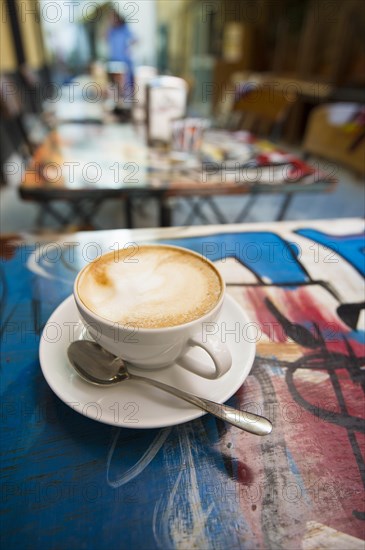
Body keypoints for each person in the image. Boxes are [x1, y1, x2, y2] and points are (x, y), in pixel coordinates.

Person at [107, 10, 136, 99]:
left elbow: (135, 39)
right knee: (115, 84)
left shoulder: (124, 29)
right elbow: (104, 37)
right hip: (114, 60)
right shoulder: (111, 30)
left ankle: (125, 101)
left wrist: (128, 48)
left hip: (124, 60)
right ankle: (118, 101)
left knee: (125, 84)